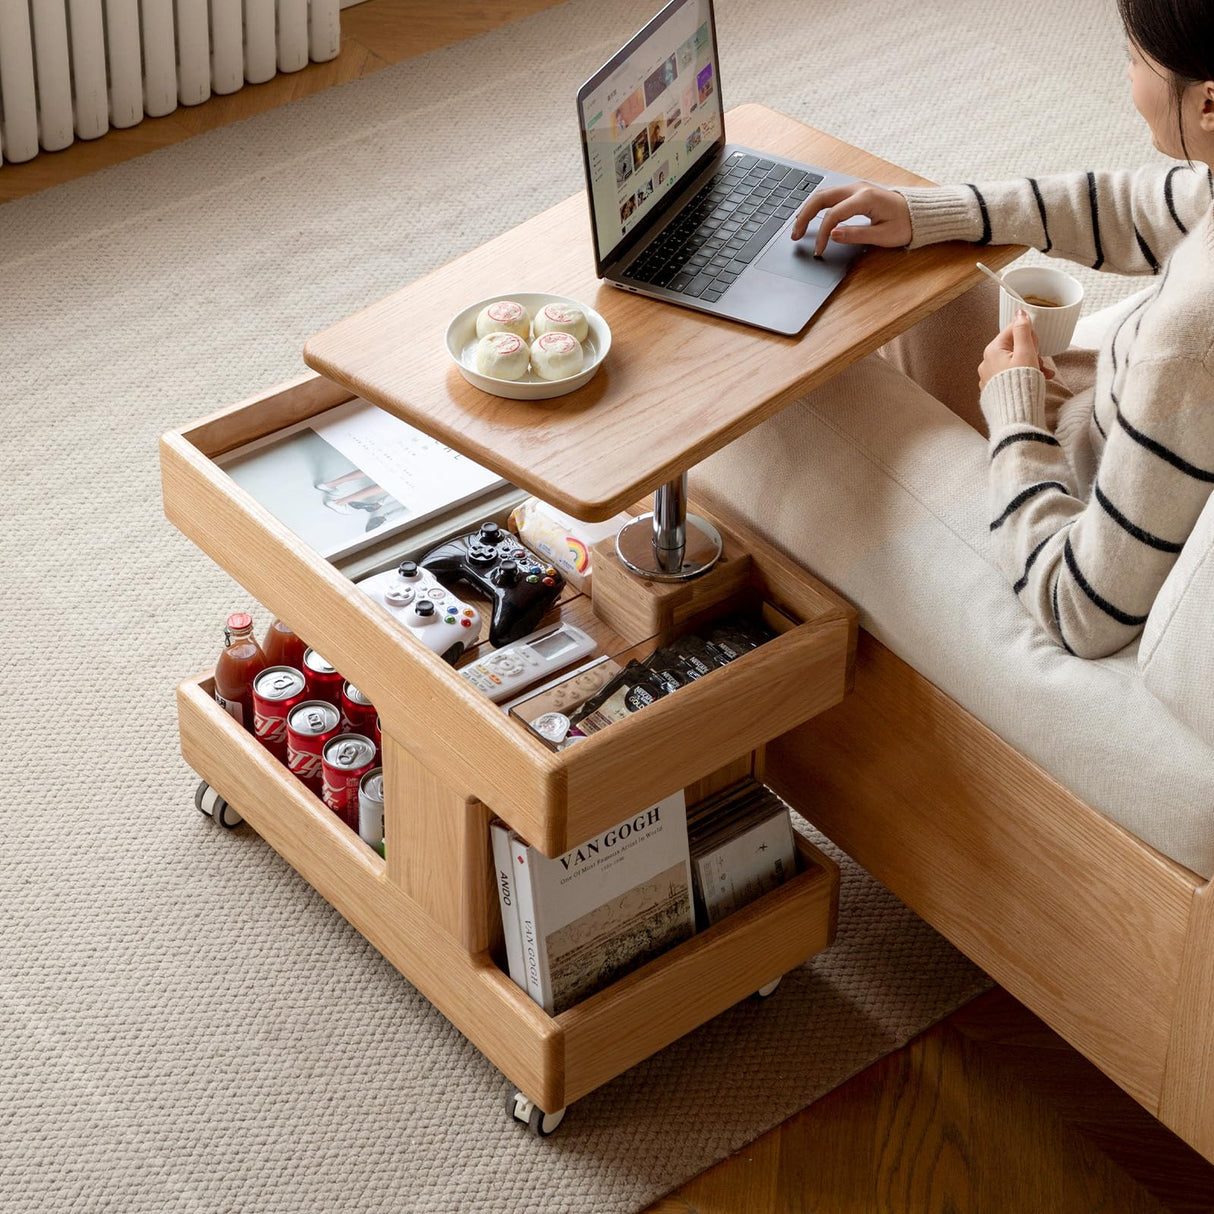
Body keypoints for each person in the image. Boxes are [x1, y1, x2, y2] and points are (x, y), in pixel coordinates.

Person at [786, 0, 1214, 659]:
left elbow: (1083, 610)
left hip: (1079, 477)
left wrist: (1015, 414)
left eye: (1134, 59)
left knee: (848, 345)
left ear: (1208, 104)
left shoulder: (1186, 345)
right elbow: (1146, 207)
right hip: (1113, 414)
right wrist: (926, 212)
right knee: (917, 274)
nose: (1126, 78)